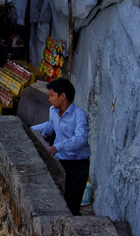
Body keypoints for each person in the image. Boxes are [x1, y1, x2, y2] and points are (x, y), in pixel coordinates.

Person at [31, 78, 90, 215]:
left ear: (62, 96)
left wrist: (57, 147)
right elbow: (50, 126)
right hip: (60, 162)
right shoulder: (53, 110)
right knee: (57, 202)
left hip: (77, 165)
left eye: (52, 95)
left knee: (72, 205)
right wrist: (30, 129)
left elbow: (81, 138)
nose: (49, 99)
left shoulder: (79, 115)